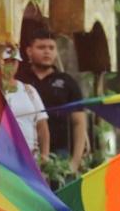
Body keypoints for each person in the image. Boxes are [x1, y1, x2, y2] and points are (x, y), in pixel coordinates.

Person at [17, 29, 88, 174]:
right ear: (29, 51)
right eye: (41, 47)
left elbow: (79, 123)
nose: (47, 52)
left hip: (59, 154)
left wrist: (75, 162)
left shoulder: (67, 82)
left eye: (51, 48)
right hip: (25, 152)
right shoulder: (20, 81)